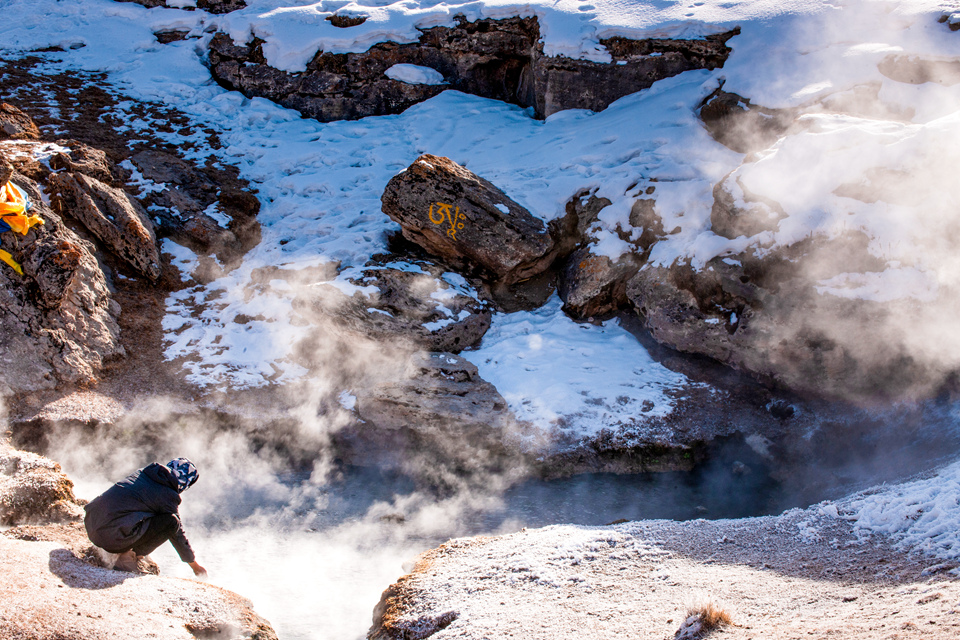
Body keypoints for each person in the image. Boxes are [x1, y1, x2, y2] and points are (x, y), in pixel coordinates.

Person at [84, 457, 207, 576]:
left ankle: (120, 548)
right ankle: (128, 558)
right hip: (110, 538)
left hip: (91, 524)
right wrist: (195, 567)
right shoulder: (168, 495)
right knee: (171, 522)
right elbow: (178, 535)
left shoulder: (144, 473)